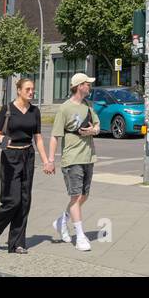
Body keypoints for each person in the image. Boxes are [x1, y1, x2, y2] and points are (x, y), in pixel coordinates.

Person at [0, 77, 51, 254]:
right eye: (28, 89)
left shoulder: (35, 111)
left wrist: (46, 161)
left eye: (33, 89)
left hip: (28, 155)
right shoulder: (7, 109)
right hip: (10, 156)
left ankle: (17, 242)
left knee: (24, 201)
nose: (31, 92)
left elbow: (38, 137)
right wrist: (2, 139)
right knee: (12, 200)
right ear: (19, 90)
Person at [50, 73, 99, 252]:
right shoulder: (64, 108)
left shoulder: (88, 106)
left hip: (88, 156)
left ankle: (62, 221)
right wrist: (50, 160)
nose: (90, 87)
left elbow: (98, 126)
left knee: (84, 196)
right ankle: (80, 236)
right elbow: (55, 136)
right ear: (79, 86)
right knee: (76, 197)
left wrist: (92, 130)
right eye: (87, 84)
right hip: (71, 158)